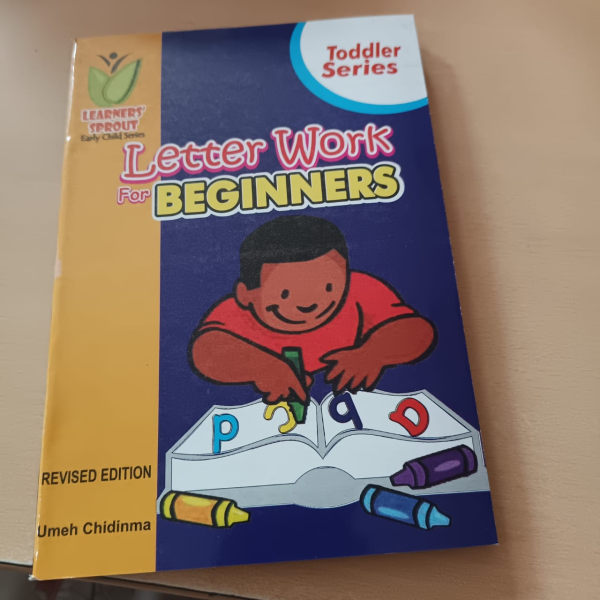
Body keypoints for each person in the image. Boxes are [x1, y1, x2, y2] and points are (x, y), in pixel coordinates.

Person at [189, 215, 436, 403]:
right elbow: (205, 351)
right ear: (246, 295)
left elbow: (417, 331)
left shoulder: (360, 290)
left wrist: (374, 353)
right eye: (285, 294)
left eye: (327, 287)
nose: (308, 304)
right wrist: (263, 368)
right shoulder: (236, 312)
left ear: (346, 276)